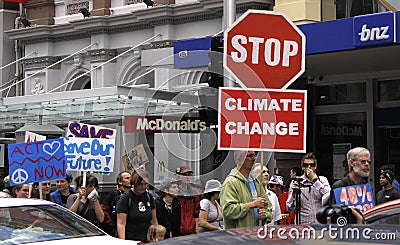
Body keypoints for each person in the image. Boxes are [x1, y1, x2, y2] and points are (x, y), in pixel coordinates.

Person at [220, 151, 272, 229]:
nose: (254, 159)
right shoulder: (231, 183)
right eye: (250, 156)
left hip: (256, 235)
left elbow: (268, 208)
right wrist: (252, 205)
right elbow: (228, 211)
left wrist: (265, 215)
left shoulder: (255, 182)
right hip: (238, 237)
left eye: (255, 155)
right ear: (239, 159)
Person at [286, 152, 331, 224]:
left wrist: (315, 180)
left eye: (312, 165)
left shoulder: (322, 180)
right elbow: (289, 208)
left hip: (319, 223)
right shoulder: (296, 181)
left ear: (315, 166)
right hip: (303, 224)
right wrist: (293, 194)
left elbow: (328, 196)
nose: (309, 167)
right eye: (306, 165)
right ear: (302, 167)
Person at [116, 169, 157, 242]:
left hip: (147, 240)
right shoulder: (126, 198)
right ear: (134, 183)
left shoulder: (149, 197)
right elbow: (121, 224)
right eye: (141, 184)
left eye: (146, 184)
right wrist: (123, 242)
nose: (143, 187)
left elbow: (153, 220)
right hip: (131, 240)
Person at [100, 171, 131, 236]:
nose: (130, 180)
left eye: (131, 178)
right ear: (120, 182)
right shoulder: (113, 194)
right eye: (127, 178)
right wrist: (111, 223)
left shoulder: (132, 195)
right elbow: (104, 208)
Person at [175, 165, 200, 235]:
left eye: (189, 175)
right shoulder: (174, 193)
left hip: (191, 232)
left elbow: (196, 214)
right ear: (178, 176)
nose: (187, 177)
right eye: (184, 174)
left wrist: (196, 230)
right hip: (177, 233)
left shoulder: (194, 194)